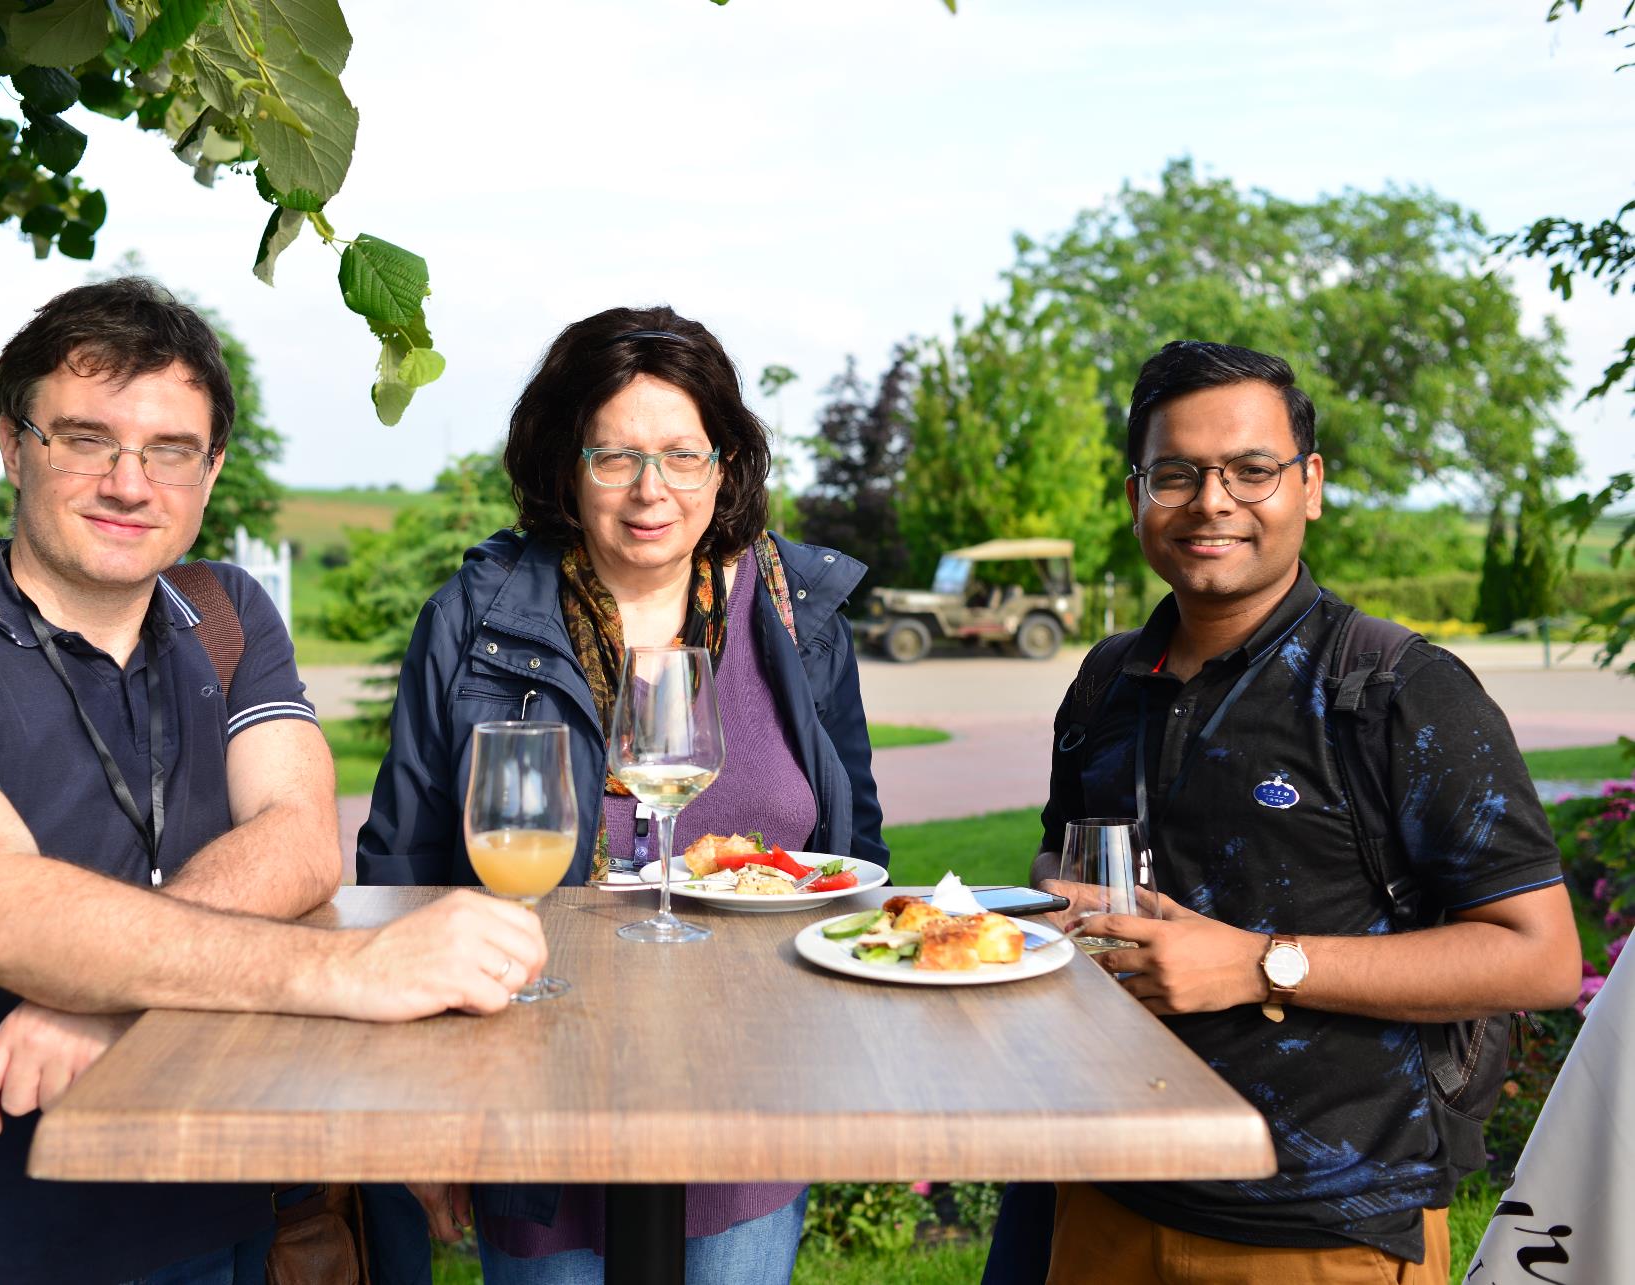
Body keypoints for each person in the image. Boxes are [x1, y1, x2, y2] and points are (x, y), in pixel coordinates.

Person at [0, 278, 549, 1285]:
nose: (128, 482)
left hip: (205, 1203)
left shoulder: (223, 611)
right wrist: (352, 973)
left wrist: (103, 992)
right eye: (85, 438)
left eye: (169, 450)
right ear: (15, 447)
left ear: (211, 469)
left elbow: (297, 837)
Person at [986, 340, 1581, 1285]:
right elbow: (1058, 866)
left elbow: (1539, 955)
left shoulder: (1398, 690)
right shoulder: (1106, 680)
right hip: (1102, 1193)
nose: (1211, 501)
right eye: (1174, 473)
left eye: (1249, 470)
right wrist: (1055, 904)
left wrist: (1259, 963)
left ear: (1307, 484)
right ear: (1135, 490)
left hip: (1317, 1227)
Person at [356, 304, 887, 1283]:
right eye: (616, 457)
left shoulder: (793, 615)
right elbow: (397, 873)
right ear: (566, 464)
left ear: (723, 464)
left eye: (681, 455)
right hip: (529, 1083)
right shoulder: (472, 619)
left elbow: (856, 852)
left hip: (754, 1088)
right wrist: (418, 1107)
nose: (651, 490)